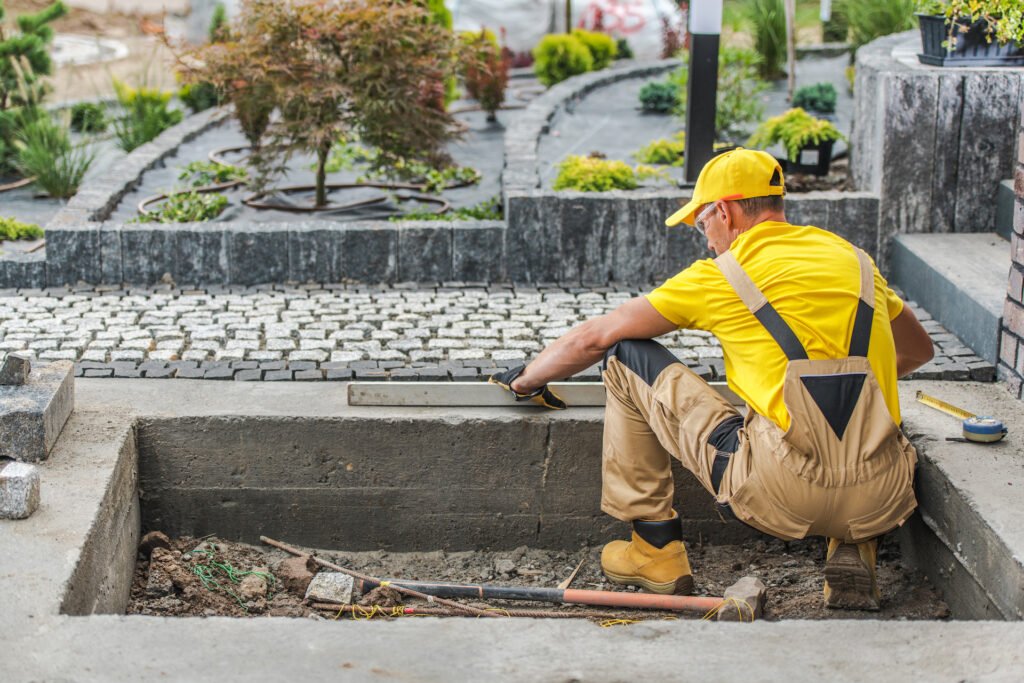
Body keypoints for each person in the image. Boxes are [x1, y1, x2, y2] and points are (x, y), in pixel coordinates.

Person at [490, 148, 934, 610]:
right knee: (847, 437)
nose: (707, 241)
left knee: (624, 355)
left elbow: (594, 337)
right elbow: (920, 351)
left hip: (781, 489)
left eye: (704, 224)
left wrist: (525, 380)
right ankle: (853, 542)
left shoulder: (723, 275)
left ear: (724, 211)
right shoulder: (856, 261)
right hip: (883, 491)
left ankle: (654, 549)